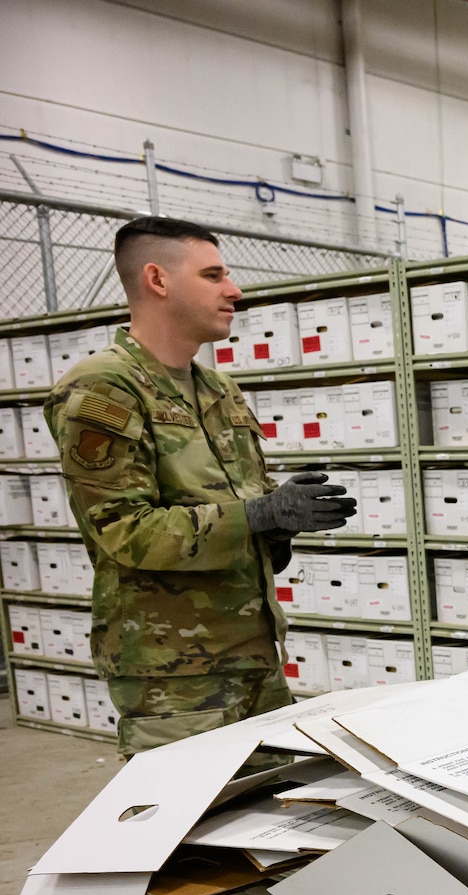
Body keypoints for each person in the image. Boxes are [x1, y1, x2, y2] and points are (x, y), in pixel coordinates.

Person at [44, 216, 356, 754]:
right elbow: (124, 531)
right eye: (213, 275)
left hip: (254, 653)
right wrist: (261, 514)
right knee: (191, 828)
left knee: (270, 817)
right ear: (157, 281)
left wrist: (283, 523)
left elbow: (241, 506)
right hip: (174, 677)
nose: (234, 290)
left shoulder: (219, 388)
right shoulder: (104, 387)